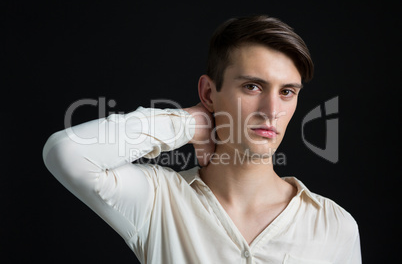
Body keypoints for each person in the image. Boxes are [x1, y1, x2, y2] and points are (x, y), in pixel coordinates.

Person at [43, 15, 361, 263]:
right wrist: (189, 123)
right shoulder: (158, 201)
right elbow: (66, 152)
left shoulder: (334, 225)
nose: (271, 111)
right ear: (209, 93)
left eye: (287, 92)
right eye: (252, 86)